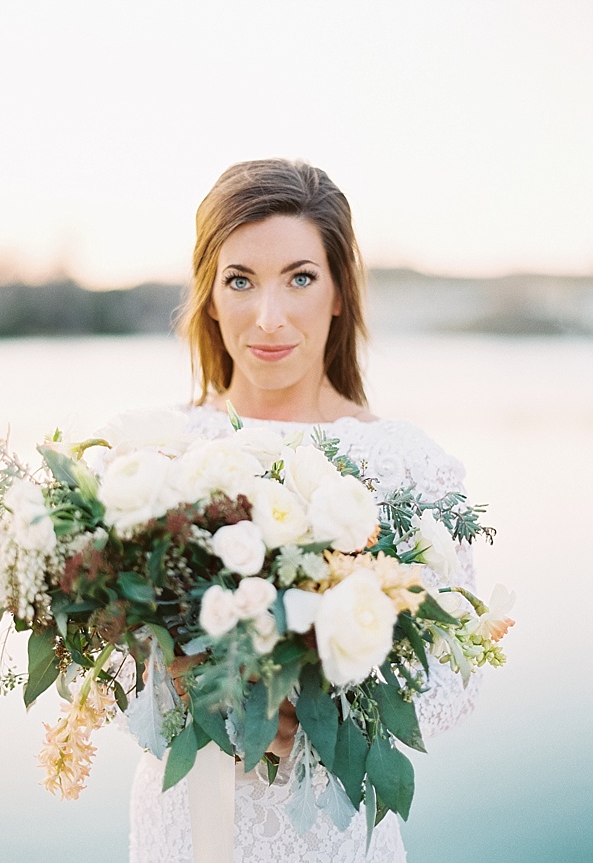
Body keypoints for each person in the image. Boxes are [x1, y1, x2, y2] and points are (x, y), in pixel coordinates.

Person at [128, 159, 478, 863]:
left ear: (340, 290)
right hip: (183, 818)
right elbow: (106, 665)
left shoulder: (407, 464)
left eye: (300, 277)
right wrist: (179, 676)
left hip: (331, 829)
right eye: (240, 280)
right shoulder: (152, 457)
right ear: (210, 295)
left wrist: (335, 708)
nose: (269, 317)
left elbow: (455, 679)